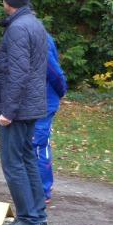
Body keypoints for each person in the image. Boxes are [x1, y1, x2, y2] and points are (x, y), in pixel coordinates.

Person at [0, 0, 49, 225]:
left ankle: (27, 219)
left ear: (8, 2)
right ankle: (38, 216)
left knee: (13, 163)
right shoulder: (35, 24)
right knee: (27, 159)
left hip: (19, 108)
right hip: (32, 105)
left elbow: (18, 73)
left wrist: (8, 111)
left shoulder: (17, 28)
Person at [33, 33, 67, 203]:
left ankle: (42, 190)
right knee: (37, 144)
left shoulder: (39, 37)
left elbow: (54, 72)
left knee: (38, 145)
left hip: (43, 102)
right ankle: (38, 187)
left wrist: (61, 91)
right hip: (36, 101)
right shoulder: (34, 34)